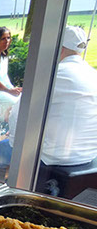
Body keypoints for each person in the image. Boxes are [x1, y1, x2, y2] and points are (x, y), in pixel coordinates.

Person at [9, 26, 97, 167]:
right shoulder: (93, 74)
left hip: (50, 158)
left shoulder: (52, 75)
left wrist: (14, 146)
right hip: (88, 156)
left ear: (59, 49)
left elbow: (18, 113)